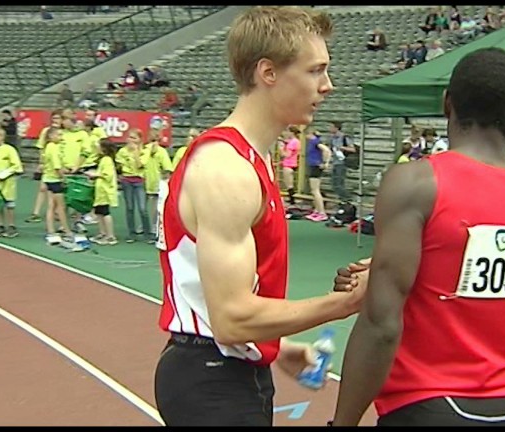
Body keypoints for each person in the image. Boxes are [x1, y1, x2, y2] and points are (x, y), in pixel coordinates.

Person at [152, 6, 366, 427]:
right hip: (211, 377)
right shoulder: (227, 169)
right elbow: (231, 319)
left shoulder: (253, 160)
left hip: (228, 370)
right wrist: (348, 303)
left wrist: (277, 347)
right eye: (315, 71)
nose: (328, 85)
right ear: (268, 72)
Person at [331, 47, 505, 427]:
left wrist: (342, 422)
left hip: (424, 405)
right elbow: (472, 280)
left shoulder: (416, 182)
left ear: (446, 104)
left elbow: (381, 324)